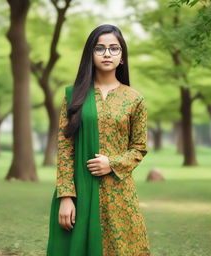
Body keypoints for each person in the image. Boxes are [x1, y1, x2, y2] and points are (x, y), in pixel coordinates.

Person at [46, 24, 150, 256]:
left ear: (122, 56)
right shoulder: (75, 97)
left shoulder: (134, 99)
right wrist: (66, 196)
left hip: (120, 195)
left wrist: (111, 163)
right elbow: (65, 148)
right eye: (100, 48)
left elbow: (139, 148)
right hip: (82, 192)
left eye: (114, 48)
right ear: (90, 55)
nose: (107, 53)